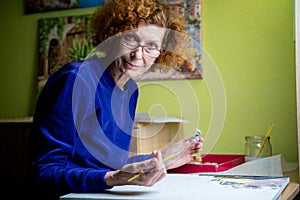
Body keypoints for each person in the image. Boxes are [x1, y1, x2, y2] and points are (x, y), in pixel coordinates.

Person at [28, 0, 203, 199]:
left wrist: (168, 157)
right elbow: (44, 173)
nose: (138, 55)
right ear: (112, 36)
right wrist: (115, 179)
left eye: (151, 46)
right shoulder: (76, 79)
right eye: (130, 39)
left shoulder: (130, 90)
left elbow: (108, 164)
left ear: (161, 53)